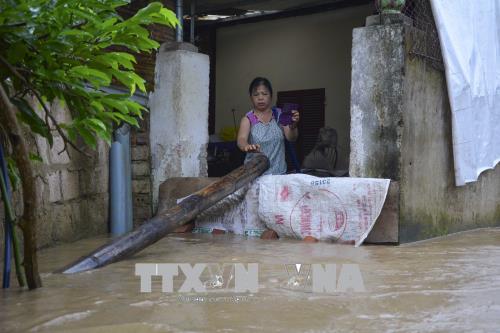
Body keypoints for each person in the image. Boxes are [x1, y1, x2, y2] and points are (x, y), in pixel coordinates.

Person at [237, 77, 300, 175]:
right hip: (255, 177)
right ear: (251, 97)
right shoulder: (248, 119)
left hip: (279, 175)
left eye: (264, 94)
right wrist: (246, 146)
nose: (260, 98)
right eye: (256, 94)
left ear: (271, 96)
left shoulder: (279, 115)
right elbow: (241, 139)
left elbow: (291, 138)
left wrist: (293, 125)